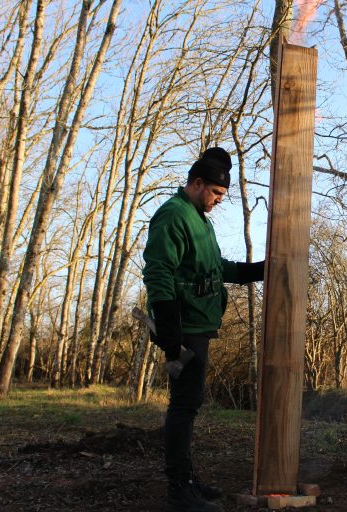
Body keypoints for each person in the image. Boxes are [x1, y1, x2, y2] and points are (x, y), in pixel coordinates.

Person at [143, 147, 264, 512]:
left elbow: (215, 267)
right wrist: (167, 326)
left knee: (189, 404)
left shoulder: (200, 219)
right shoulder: (174, 215)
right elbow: (158, 270)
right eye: (216, 193)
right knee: (184, 405)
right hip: (184, 325)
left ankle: (189, 480)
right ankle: (180, 490)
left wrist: (255, 270)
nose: (217, 201)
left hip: (200, 322)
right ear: (197, 184)